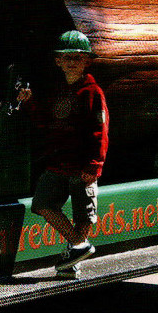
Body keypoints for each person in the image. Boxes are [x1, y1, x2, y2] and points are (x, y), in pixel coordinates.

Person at [17, 30, 109, 277]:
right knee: (43, 204)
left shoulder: (92, 92)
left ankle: (72, 263)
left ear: (87, 61)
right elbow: (45, 120)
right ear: (57, 61)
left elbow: (100, 130)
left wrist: (94, 165)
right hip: (58, 163)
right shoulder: (56, 90)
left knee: (83, 215)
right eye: (65, 57)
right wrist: (28, 103)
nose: (70, 62)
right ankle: (79, 246)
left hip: (82, 167)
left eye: (77, 58)